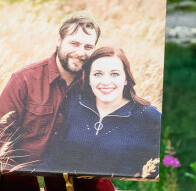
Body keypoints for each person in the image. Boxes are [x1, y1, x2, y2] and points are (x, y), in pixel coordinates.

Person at [0, 14, 99, 175]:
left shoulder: (95, 84)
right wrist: (10, 174)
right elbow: (0, 129)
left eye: (88, 47)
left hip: (67, 179)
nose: (81, 52)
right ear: (59, 41)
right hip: (21, 175)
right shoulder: (24, 78)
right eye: (74, 43)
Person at [41, 45, 162, 180]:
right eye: (98, 74)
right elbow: (55, 159)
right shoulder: (75, 104)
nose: (105, 82)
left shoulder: (149, 116)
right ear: (88, 79)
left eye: (114, 74)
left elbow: (164, 169)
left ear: (126, 78)